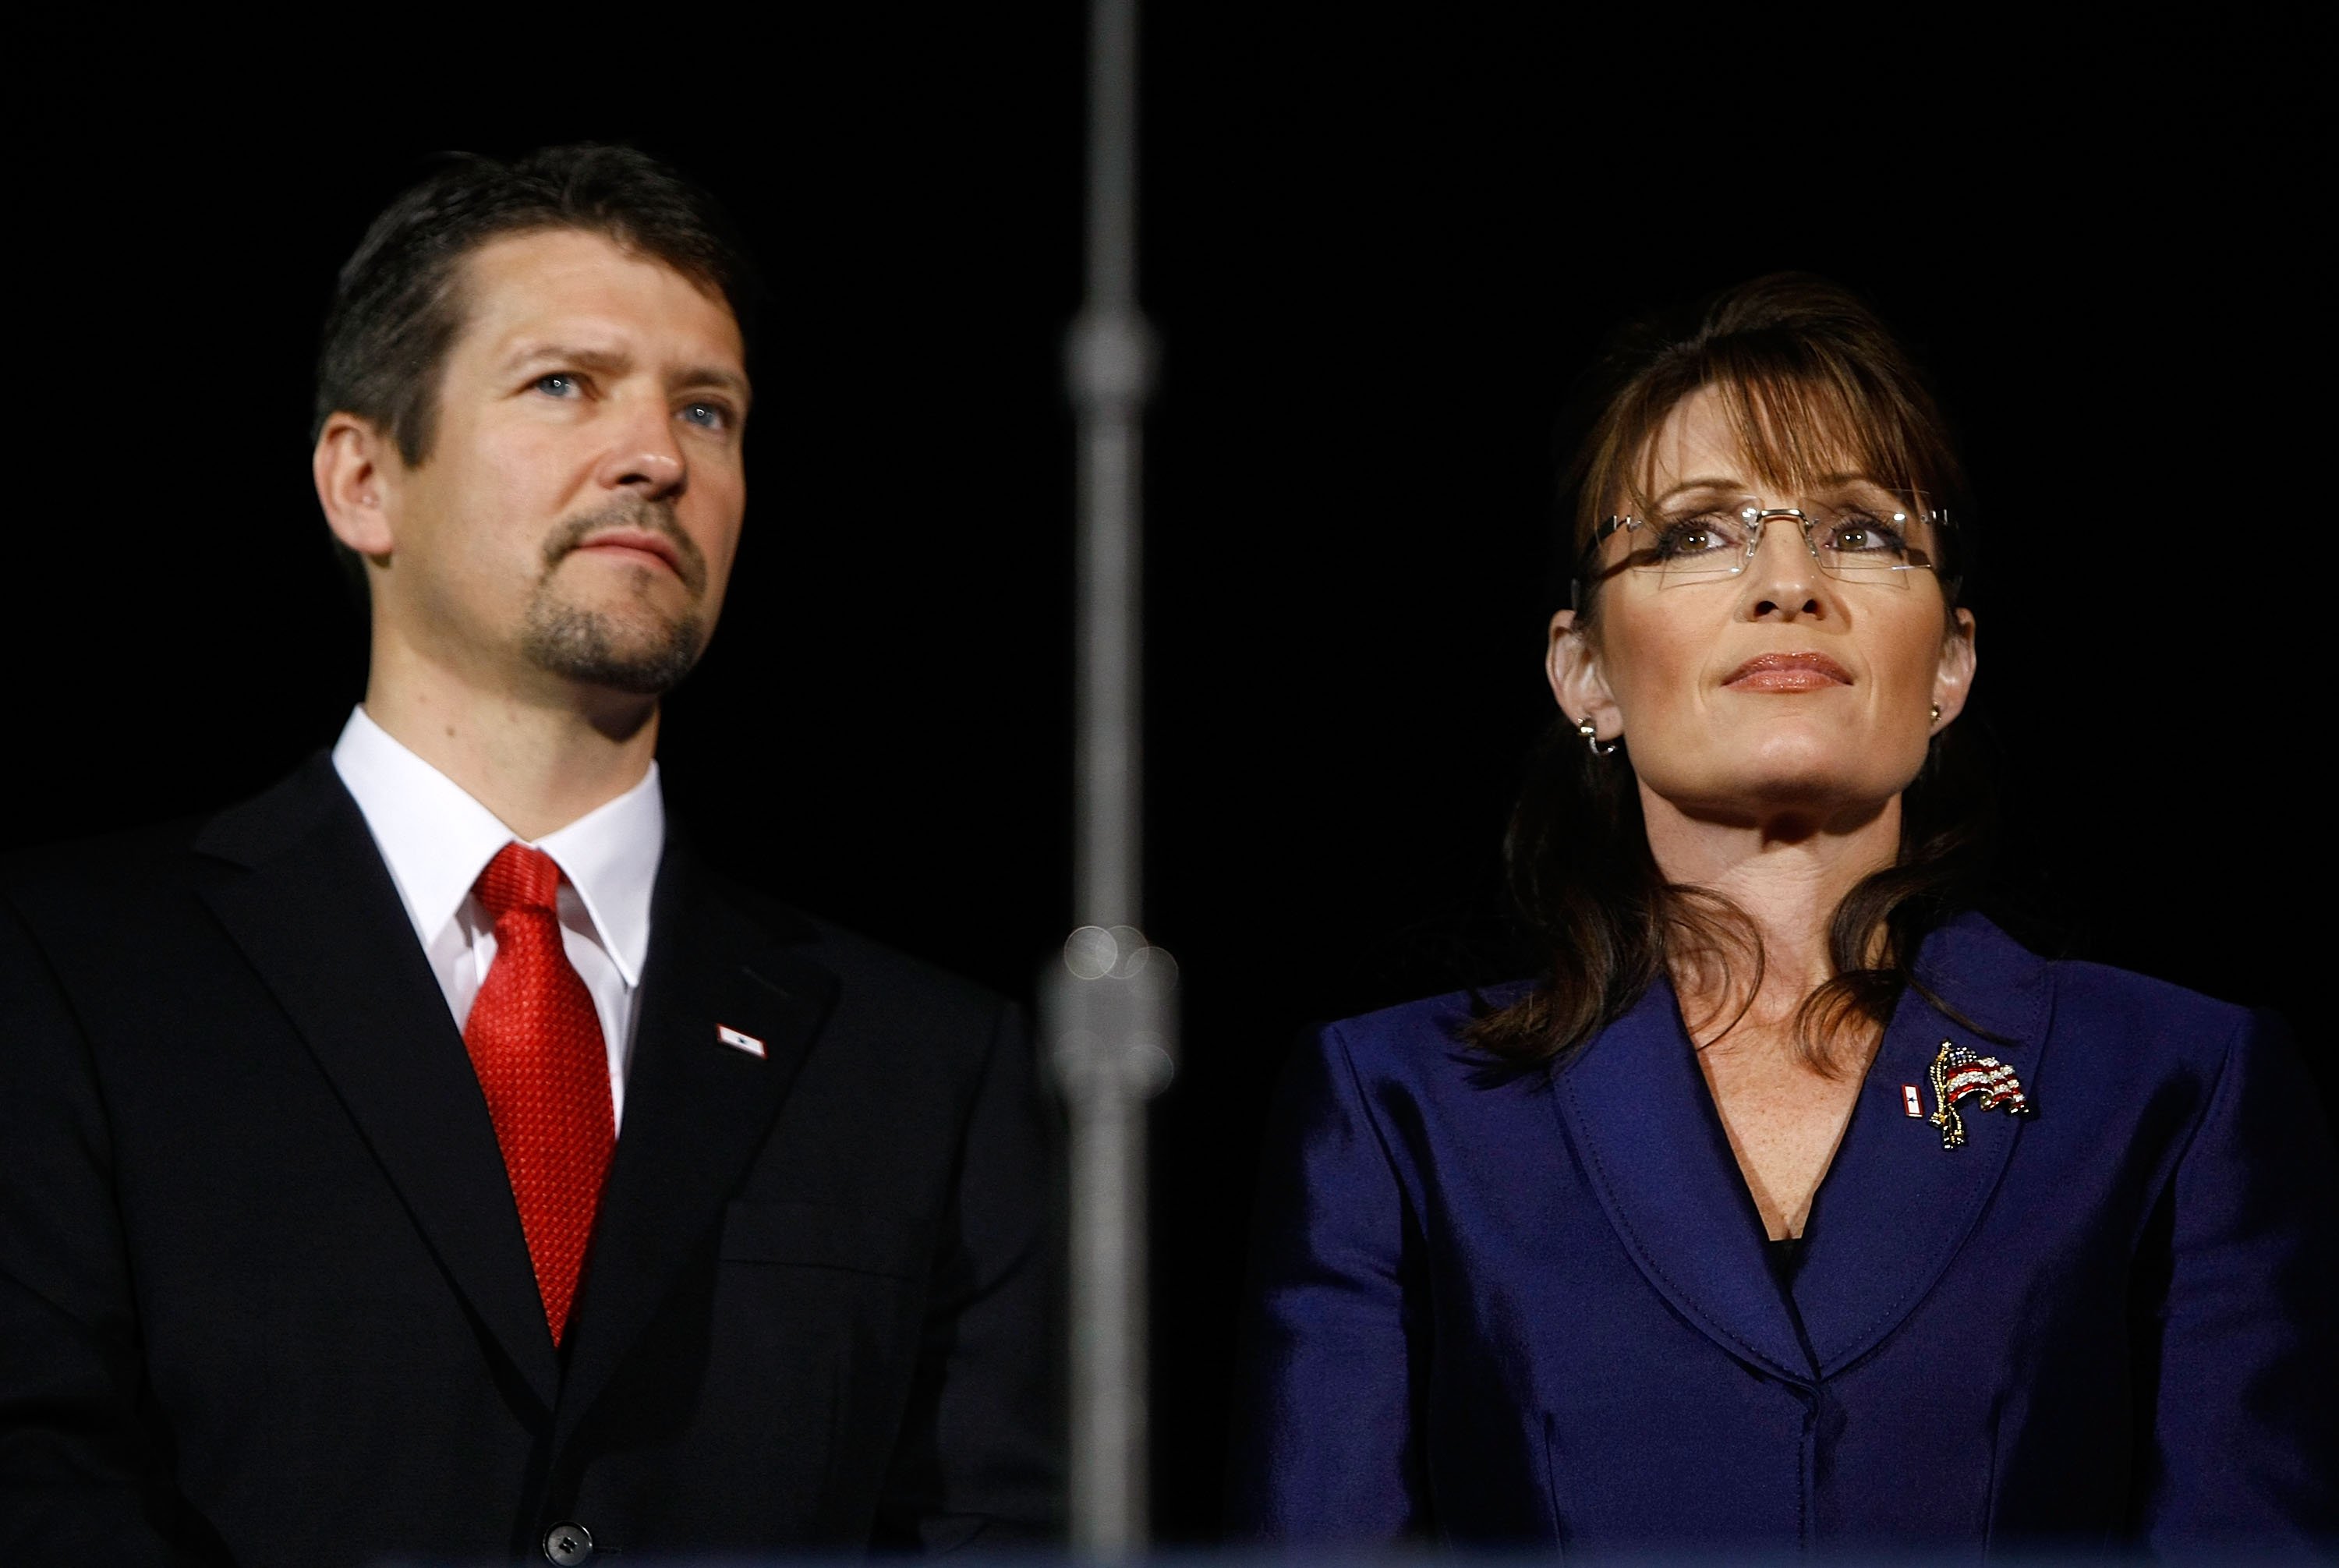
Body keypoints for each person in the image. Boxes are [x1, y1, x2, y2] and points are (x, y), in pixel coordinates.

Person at [0, 146, 1057, 1567]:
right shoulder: (67, 972)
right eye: (564, 384)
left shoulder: (930, 1062)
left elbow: (989, 1532)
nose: (658, 456)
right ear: (363, 479)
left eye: (708, 410)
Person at [1227, 274, 2339, 1554]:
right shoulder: (1395, 1105)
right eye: (1698, 533)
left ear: (1953, 664)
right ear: (1584, 670)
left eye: (1861, 529)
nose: (1788, 580)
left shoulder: (2175, 1083)